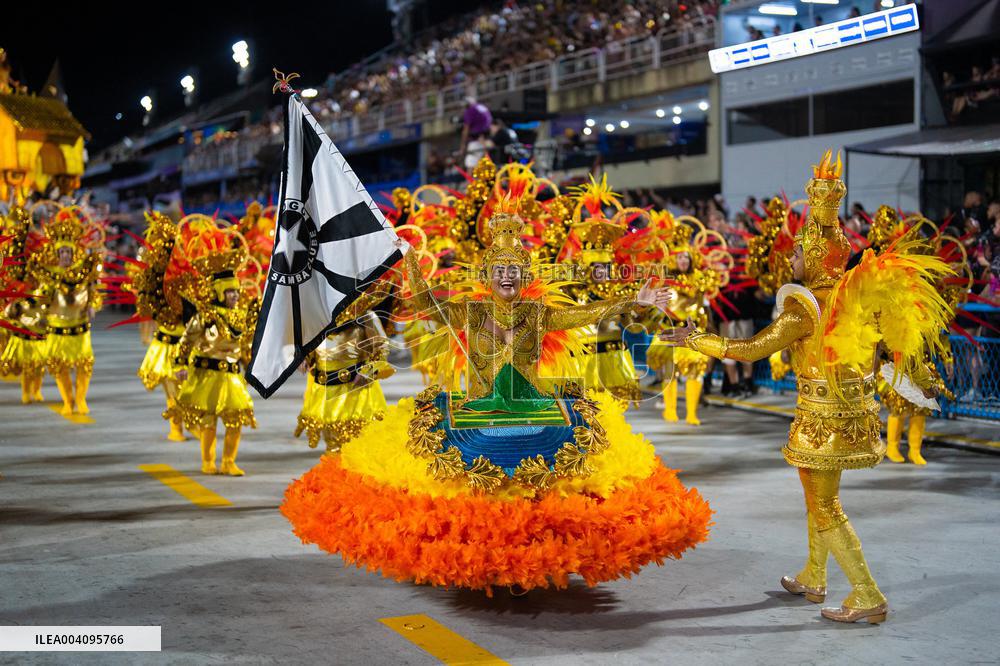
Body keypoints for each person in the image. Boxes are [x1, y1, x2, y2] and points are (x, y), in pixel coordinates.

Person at [281, 211, 711, 595]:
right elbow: (423, 303)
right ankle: (474, 561)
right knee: (459, 477)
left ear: (524, 276)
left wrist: (632, 300)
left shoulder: (538, 314)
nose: (507, 277)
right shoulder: (470, 312)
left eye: (514, 270)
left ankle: (535, 556)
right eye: (500, 269)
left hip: (533, 409)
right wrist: (409, 260)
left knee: (553, 478)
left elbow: (587, 315)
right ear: (488, 274)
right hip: (478, 410)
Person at [662, 151, 953, 623]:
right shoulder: (847, 299)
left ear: (815, 258)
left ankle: (867, 593)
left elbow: (751, 349)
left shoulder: (805, 307)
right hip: (846, 413)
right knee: (818, 497)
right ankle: (815, 575)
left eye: (797, 253)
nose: (791, 259)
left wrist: (696, 338)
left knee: (825, 505)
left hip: (823, 419)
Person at [169, 242, 258, 476]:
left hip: (230, 377)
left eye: (237, 292)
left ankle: (229, 461)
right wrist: (179, 364)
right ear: (219, 292)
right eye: (230, 292)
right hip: (206, 376)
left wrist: (252, 370)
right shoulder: (205, 316)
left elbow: (246, 348)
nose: (235, 296)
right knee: (208, 421)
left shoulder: (241, 317)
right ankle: (208, 461)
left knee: (236, 418)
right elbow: (186, 341)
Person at [28, 206, 103, 416]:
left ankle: (80, 398)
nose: (65, 255)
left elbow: (93, 294)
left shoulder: (83, 272)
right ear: (56, 253)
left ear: (74, 252)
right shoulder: (49, 274)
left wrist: (93, 307)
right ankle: (68, 400)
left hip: (79, 329)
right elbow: (40, 298)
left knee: (84, 366)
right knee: (60, 369)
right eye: (61, 252)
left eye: (68, 251)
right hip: (57, 329)